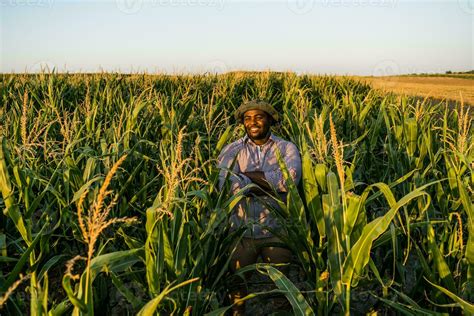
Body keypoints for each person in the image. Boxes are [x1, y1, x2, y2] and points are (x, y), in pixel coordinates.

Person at [217, 100, 302, 315]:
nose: (252, 122)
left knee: (281, 291)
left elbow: (290, 179)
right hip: (241, 232)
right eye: (247, 118)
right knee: (236, 289)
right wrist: (270, 183)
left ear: (270, 120)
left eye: (258, 117)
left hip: (277, 231)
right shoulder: (232, 149)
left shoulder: (286, 148)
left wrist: (246, 180)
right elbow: (227, 185)